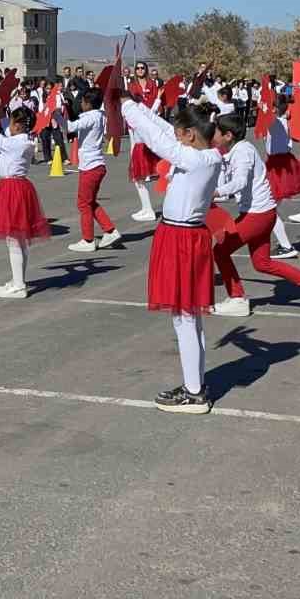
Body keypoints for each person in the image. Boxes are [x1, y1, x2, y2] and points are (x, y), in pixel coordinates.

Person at [121, 99, 222, 414]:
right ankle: (195, 385)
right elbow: (165, 130)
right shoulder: (205, 154)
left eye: (181, 133)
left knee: (185, 318)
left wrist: (127, 109)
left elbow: (157, 139)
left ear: (190, 134)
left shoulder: (197, 159)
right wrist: (136, 104)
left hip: (182, 238)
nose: (176, 137)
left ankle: (194, 393)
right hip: (183, 235)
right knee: (190, 318)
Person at [209, 113, 300, 318]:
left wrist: (215, 192)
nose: (213, 135)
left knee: (220, 251)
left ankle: (237, 298)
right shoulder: (236, 150)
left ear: (228, 135)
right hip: (262, 213)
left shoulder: (242, 153)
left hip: (257, 215)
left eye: (216, 132)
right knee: (261, 263)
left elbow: (240, 181)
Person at [0, 99, 51, 299]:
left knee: (13, 239)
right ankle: (19, 280)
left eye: (11, 122)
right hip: (22, 187)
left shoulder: (12, 143)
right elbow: (4, 130)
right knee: (20, 239)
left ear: (17, 125)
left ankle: (18, 285)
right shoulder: (26, 140)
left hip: (10, 189)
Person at [64, 87, 123, 253]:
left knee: (83, 204)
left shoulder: (91, 117)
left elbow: (70, 127)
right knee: (90, 202)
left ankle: (88, 239)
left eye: (82, 102)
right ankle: (110, 230)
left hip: (90, 166)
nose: (80, 104)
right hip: (95, 165)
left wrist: (55, 115)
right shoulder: (98, 116)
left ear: (88, 103)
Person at [262, 95, 300, 260]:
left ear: (274, 109)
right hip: (282, 163)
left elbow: (267, 120)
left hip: (278, 167)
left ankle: (286, 246)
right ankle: (280, 243)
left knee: (270, 208)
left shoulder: (275, 123)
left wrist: (265, 107)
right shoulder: (281, 121)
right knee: (270, 207)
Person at [127, 62, 162, 221]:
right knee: (139, 174)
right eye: (138, 68)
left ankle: (148, 210)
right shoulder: (133, 86)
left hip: (148, 130)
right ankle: (146, 208)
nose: (140, 70)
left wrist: (158, 100)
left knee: (139, 174)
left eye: (142, 68)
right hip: (139, 132)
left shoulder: (151, 86)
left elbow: (151, 111)